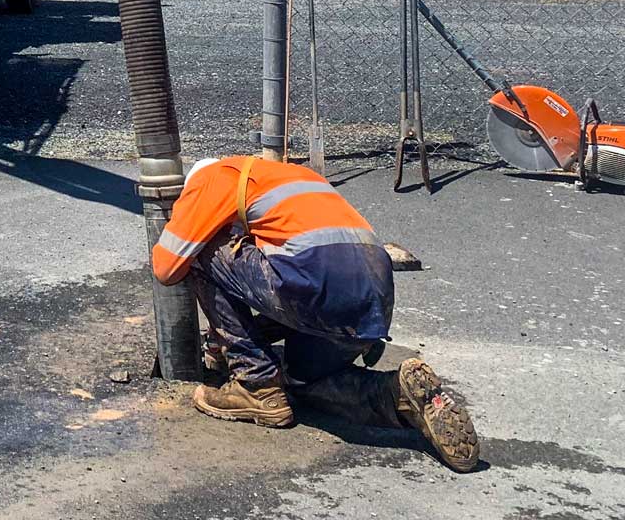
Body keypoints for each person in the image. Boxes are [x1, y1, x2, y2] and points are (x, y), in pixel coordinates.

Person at [153, 154, 480, 472]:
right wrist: (238, 333)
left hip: (316, 281)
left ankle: (256, 384)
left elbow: (165, 268)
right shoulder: (292, 177)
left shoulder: (213, 178)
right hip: (371, 298)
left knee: (199, 252)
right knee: (308, 382)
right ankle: (397, 395)